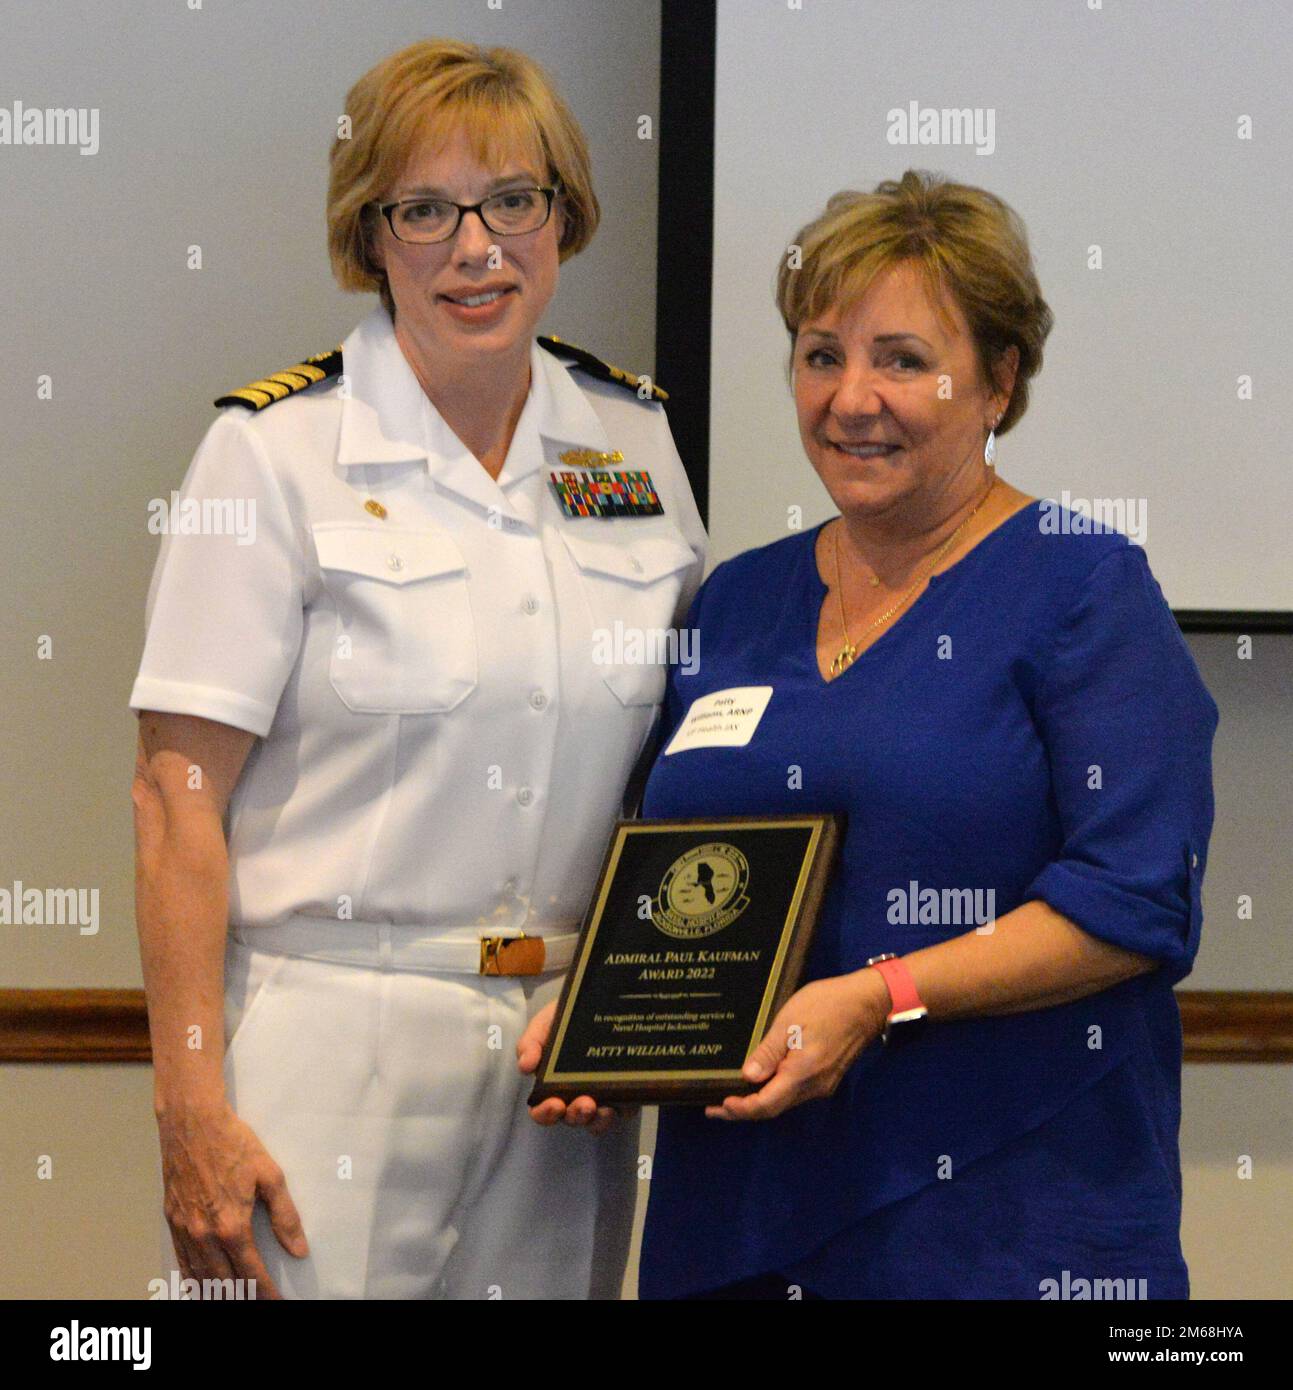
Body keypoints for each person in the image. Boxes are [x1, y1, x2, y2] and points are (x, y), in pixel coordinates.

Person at [520, 170, 1218, 1300]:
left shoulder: (1084, 590)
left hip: (1003, 1225)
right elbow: (677, 875)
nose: (851, 398)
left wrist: (879, 994)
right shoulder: (736, 602)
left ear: (999, 380)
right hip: (736, 1214)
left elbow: (1136, 902)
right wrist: (604, 1020)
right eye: (819, 354)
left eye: (903, 359)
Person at [130, 38, 705, 1300]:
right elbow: (174, 800)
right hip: (331, 1036)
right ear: (370, 233)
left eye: (514, 201)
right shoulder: (275, 453)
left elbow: (670, 773)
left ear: (563, 218)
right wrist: (190, 1108)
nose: (477, 246)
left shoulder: (636, 441)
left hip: (564, 1061)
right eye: (426, 210)